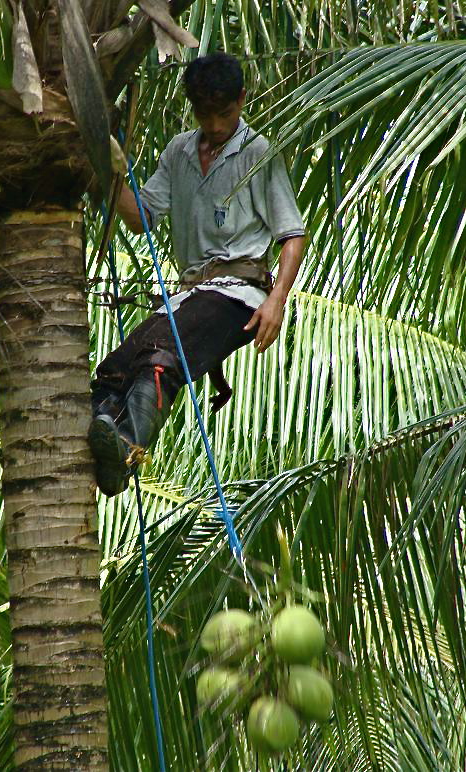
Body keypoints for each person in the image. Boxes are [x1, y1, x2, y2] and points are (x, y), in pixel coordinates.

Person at [88, 52, 305, 497]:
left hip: (238, 294)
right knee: (116, 366)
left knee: (161, 356)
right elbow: (141, 217)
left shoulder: (259, 153)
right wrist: (105, 169)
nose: (216, 125)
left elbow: (292, 235)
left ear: (242, 100)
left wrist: (276, 300)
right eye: (205, 114)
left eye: (225, 113)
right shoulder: (180, 151)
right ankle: (102, 449)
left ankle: (127, 446)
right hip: (191, 295)